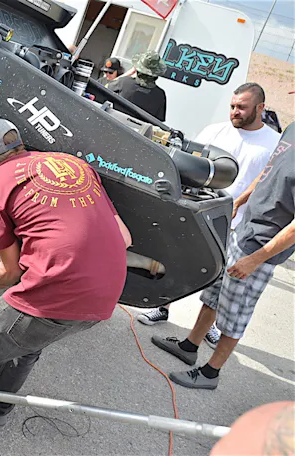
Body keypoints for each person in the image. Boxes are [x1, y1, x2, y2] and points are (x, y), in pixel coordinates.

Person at [0, 119, 132, 456]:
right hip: (107, 294)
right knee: (27, 340)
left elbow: (9, 272)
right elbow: (124, 237)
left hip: (59, 289)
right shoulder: (74, 165)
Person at [151, 122, 295, 390]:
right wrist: (239, 201)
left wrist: (256, 259)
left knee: (235, 314)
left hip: (262, 247)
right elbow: (269, 171)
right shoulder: (292, 129)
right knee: (214, 294)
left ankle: (210, 373)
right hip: (245, 230)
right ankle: (189, 346)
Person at [137, 83, 281, 347]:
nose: (235, 111)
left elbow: (267, 182)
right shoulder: (215, 131)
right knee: (175, 259)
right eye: (233, 106)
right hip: (200, 212)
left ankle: (206, 328)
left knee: (219, 276)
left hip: (238, 223)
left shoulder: (274, 143)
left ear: (260, 108)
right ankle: (162, 307)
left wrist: (239, 205)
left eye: (242, 107)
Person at [106, 50, 167, 121]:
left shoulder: (124, 82)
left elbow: (105, 87)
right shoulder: (160, 95)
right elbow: (158, 121)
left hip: (114, 123)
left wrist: (129, 73)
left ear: (137, 70)